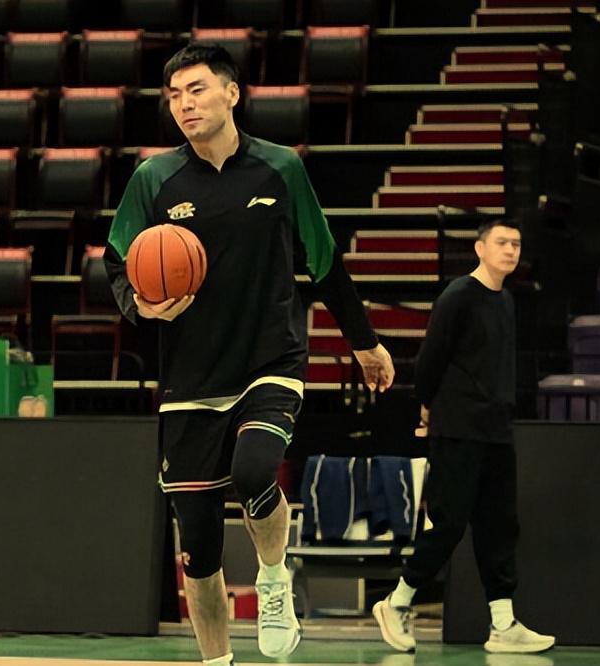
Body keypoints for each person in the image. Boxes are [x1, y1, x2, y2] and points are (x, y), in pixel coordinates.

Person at [104, 44, 395, 664]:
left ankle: (273, 578)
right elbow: (117, 261)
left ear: (232, 93)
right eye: (175, 95)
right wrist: (140, 306)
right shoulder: (153, 178)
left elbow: (324, 262)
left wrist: (364, 341)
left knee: (256, 469)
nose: (185, 104)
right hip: (190, 376)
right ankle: (217, 662)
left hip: (270, 358)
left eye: (197, 89)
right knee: (200, 549)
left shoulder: (280, 168)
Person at [374, 219, 555, 655]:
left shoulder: (506, 300)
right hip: (458, 427)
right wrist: (426, 405)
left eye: (516, 243)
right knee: (449, 522)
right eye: (502, 242)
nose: (510, 250)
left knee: (499, 526)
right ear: (479, 248)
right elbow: (431, 358)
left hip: (496, 430)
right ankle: (396, 603)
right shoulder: (458, 296)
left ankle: (503, 624)